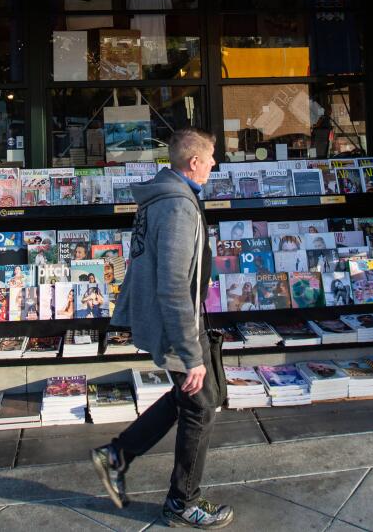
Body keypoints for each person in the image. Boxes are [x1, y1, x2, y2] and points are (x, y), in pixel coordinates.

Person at [92, 128, 234, 529]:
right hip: (178, 324)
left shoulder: (163, 196)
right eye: (210, 158)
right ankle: (183, 500)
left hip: (179, 319)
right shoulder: (178, 207)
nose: (214, 164)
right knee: (201, 406)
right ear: (193, 163)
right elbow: (173, 285)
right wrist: (189, 354)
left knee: (192, 398)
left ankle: (116, 456)